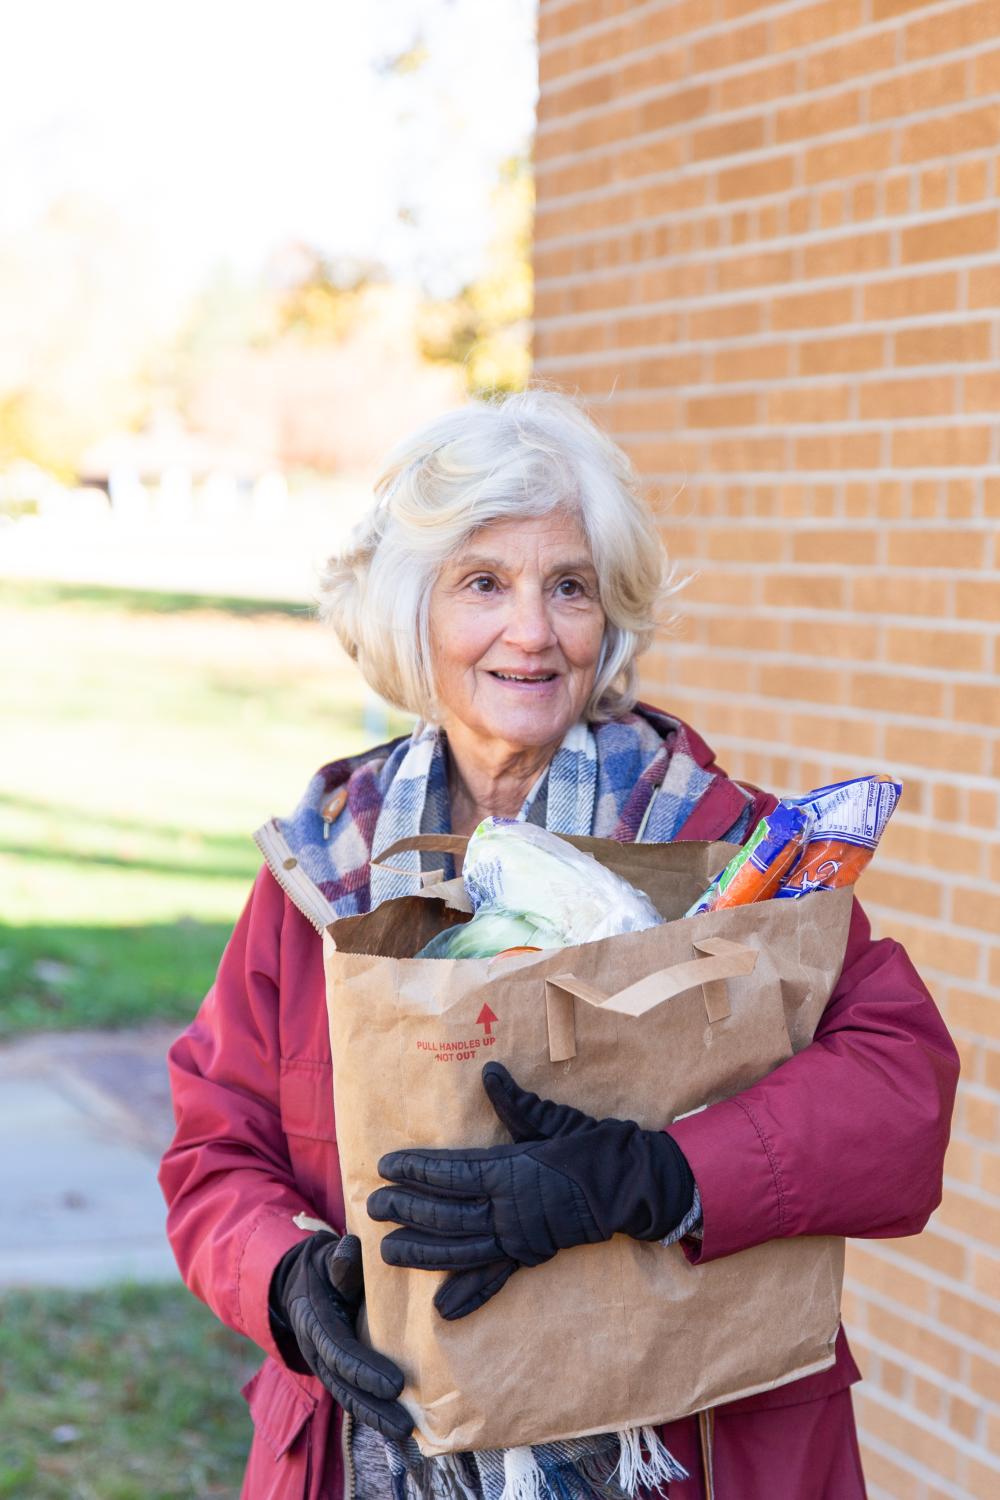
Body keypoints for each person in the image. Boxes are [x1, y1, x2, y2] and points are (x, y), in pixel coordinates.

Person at [158, 388, 959, 1500]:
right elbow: (214, 1147)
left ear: (609, 615)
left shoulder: (730, 856)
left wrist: (659, 1175)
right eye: (483, 582)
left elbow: (899, 1093)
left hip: (687, 1455)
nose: (531, 631)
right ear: (413, 613)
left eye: (568, 587)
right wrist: (287, 1281)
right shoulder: (319, 870)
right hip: (380, 1455)